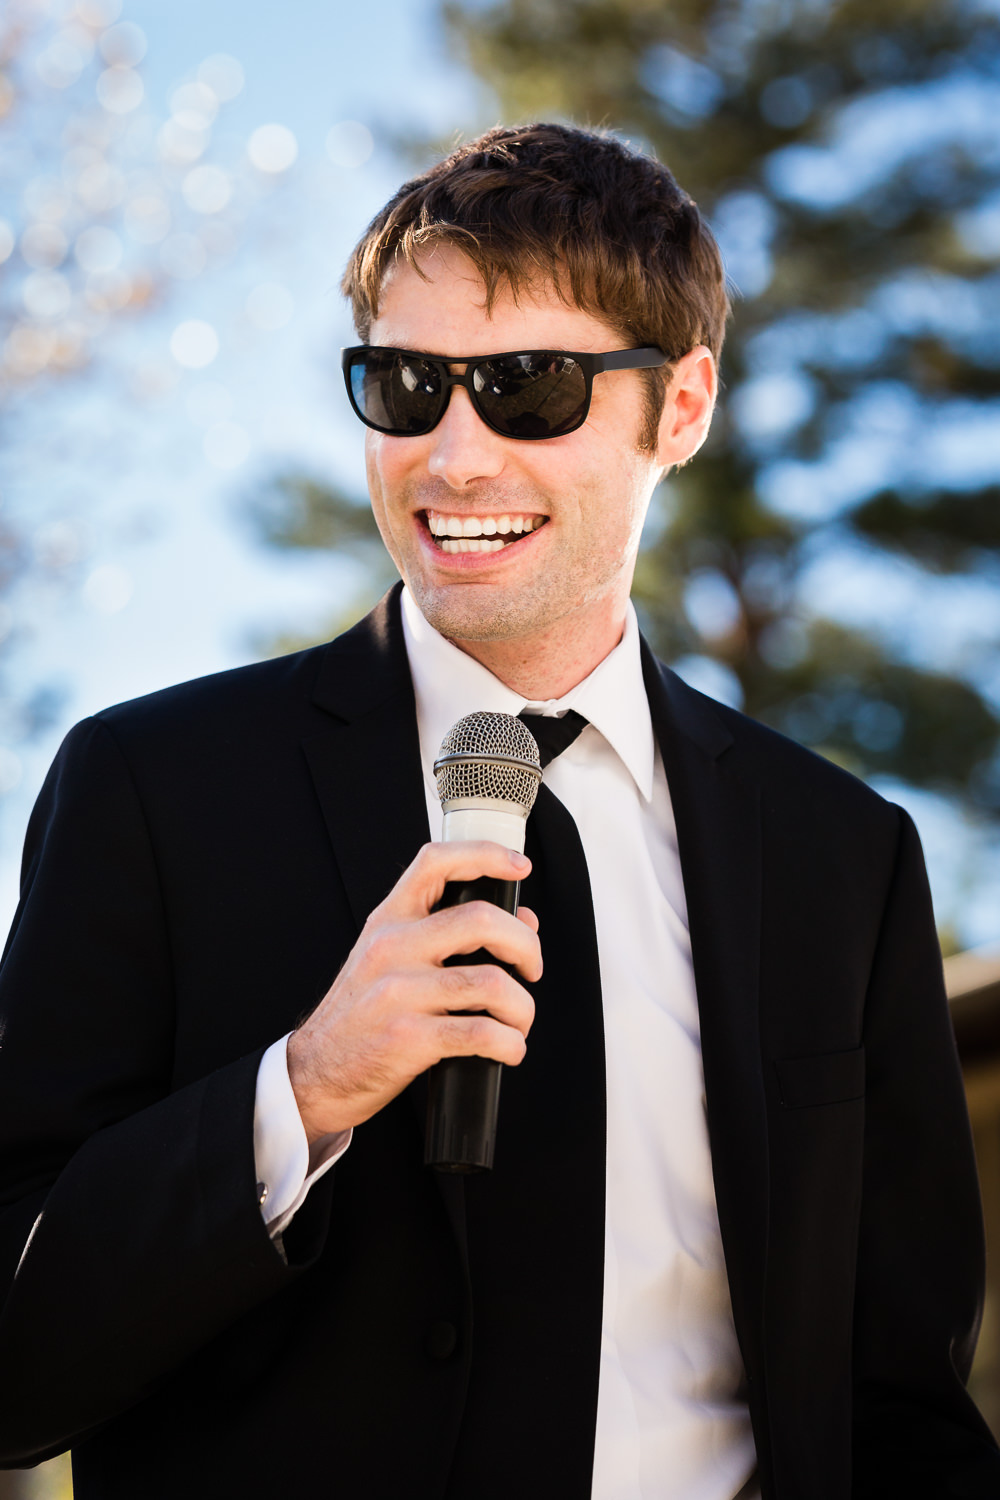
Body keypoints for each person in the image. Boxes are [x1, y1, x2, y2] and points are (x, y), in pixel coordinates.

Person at [0, 122, 996, 1500]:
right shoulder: (151, 792)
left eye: (528, 389)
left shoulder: (844, 858)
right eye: (406, 386)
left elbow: (904, 1406)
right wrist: (300, 1093)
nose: (452, 458)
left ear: (684, 406)